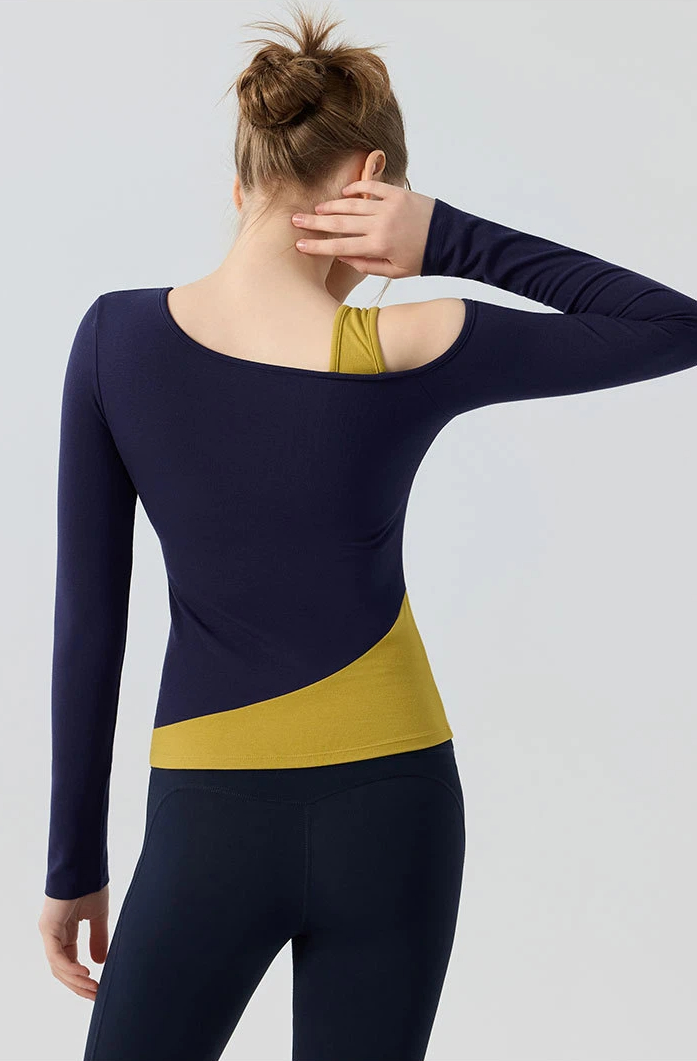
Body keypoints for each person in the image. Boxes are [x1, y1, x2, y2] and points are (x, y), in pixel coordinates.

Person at [37, 6, 697, 1061]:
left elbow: (88, 619)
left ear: (241, 180)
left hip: (209, 816)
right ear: (371, 179)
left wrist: (74, 860)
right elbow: (674, 324)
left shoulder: (117, 341)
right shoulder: (412, 341)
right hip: (397, 804)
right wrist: (448, 237)